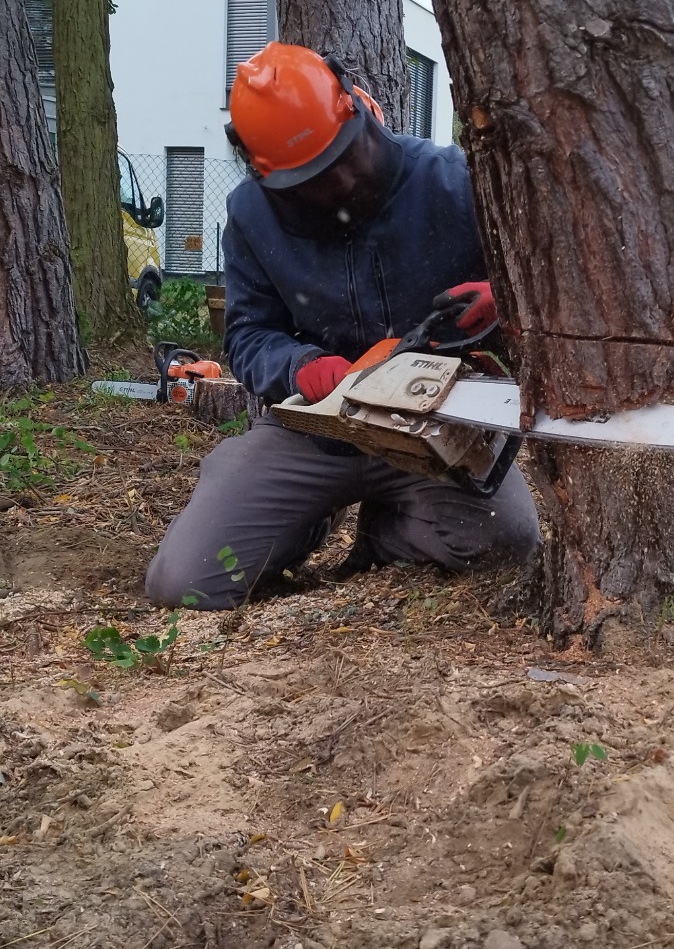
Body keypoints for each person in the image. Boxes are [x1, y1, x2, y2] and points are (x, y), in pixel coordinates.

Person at [145, 42, 540, 608]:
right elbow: (248, 335)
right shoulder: (253, 216)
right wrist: (299, 366)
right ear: (268, 173)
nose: (345, 179)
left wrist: (504, 300)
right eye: (318, 176)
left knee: (508, 544)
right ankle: (303, 519)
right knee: (184, 583)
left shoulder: (451, 184)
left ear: (356, 110)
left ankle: (387, 531)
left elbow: (542, 285)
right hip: (314, 430)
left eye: (345, 155)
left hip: (433, 429)